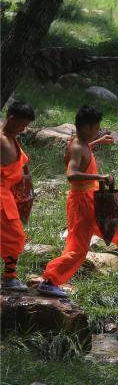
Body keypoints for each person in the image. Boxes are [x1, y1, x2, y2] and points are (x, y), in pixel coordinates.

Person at [39, 106, 118, 298]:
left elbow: (86, 151)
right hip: (82, 204)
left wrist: (98, 141)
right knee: (78, 249)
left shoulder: (82, 142)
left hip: (92, 200)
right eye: (97, 128)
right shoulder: (77, 147)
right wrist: (100, 176)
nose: (99, 130)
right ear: (87, 127)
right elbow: (71, 174)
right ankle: (49, 281)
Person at [1, 101, 36, 292]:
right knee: (15, 236)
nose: (24, 129)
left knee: (12, 236)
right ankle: (9, 278)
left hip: (8, 195)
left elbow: (22, 164)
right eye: (23, 124)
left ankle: (9, 277)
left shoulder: (12, 138)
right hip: (1, 197)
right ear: (12, 119)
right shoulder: (1, 139)